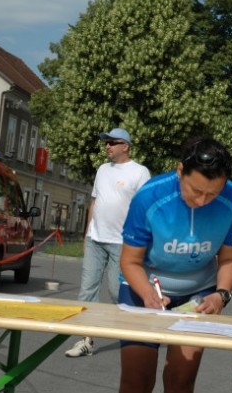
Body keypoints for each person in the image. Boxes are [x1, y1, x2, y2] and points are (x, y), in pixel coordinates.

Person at [117, 138, 232, 393]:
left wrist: (221, 294)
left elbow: (230, 258)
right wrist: (147, 294)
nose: (202, 201)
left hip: (198, 292)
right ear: (180, 171)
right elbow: (130, 261)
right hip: (144, 286)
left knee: (181, 382)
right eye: (195, 191)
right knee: (136, 382)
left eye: (212, 194)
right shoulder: (149, 196)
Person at [65, 127, 151, 358]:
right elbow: (95, 202)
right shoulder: (102, 170)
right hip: (96, 238)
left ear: (126, 146)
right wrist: (86, 234)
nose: (107, 147)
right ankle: (86, 340)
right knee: (87, 291)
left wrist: (141, 242)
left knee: (117, 290)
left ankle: (139, 331)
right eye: (106, 142)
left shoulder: (140, 172)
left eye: (112, 143)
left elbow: (145, 210)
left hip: (122, 243)